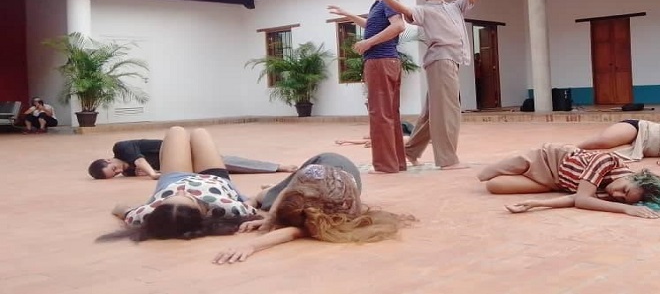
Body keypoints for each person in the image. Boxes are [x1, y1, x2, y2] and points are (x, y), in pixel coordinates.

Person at [363, 0, 520, 170]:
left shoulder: (456, 7)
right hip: (441, 59)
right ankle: (447, 160)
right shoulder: (424, 10)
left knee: (432, 113)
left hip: (450, 61)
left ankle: (411, 151)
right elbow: (402, 10)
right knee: (448, 111)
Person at [212, 153, 415, 264]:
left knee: (269, 199)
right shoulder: (304, 182)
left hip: (334, 171)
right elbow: (285, 196)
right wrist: (268, 221)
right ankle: (261, 194)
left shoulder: (338, 208)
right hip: (319, 164)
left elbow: (295, 232)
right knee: (267, 199)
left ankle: (264, 193)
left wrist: (253, 244)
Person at [98, 127, 260, 242]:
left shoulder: (147, 214)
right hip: (215, 178)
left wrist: (127, 213)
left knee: (176, 131)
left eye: (170, 198)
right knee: (200, 133)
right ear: (203, 213)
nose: (182, 192)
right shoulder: (227, 209)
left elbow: (119, 208)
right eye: (190, 198)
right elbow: (253, 201)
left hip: (173, 179)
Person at [477, 143, 660, 218]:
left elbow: (575, 199)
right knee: (485, 175)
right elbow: (584, 200)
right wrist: (625, 210)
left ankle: (526, 183)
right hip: (545, 158)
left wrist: (537, 204)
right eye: (625, 190)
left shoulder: (613, 192)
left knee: (494, 186)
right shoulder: (608, 161)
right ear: (632, 176)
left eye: (624, 200)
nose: (617, 195)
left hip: (553, 183)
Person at [328, 0, 407, 174]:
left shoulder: (387, 1)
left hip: (379, 61)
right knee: (389, 113)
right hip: (387, 61)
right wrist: (347, 14)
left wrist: (368, 43)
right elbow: (370, 24)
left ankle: (384, 166)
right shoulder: (380, 4)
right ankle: (396, 163)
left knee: (379, 113)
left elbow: (398, 26)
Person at [87, 139, 299, 180]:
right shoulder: (128, 172)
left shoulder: (121, 147)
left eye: (113, 168)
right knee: (221, 171)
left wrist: (152, 174)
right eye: (113, 175)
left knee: (227, 162)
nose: (118, 172)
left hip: (185, 150)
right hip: (184, 165)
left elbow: (141, 161)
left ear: (109, 159)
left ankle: (278, 166)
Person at [334, 121, 414, 148]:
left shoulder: (405, 137)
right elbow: (364, 141)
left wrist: (373, 145)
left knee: (404, 140)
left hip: (404, 133)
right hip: (396, 131)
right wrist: (345, 141)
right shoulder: (384, 135)